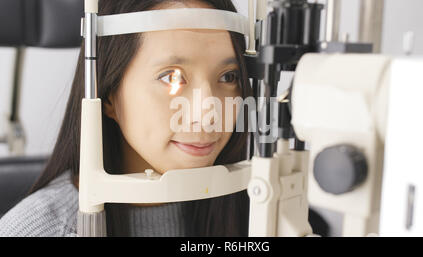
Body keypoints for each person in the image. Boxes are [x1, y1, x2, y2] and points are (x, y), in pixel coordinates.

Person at [0, 0, 251, 237]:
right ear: (108, 94)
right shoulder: (40, 229)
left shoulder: (259, 207)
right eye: (171, 77)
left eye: (229, 77)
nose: (208, 115)